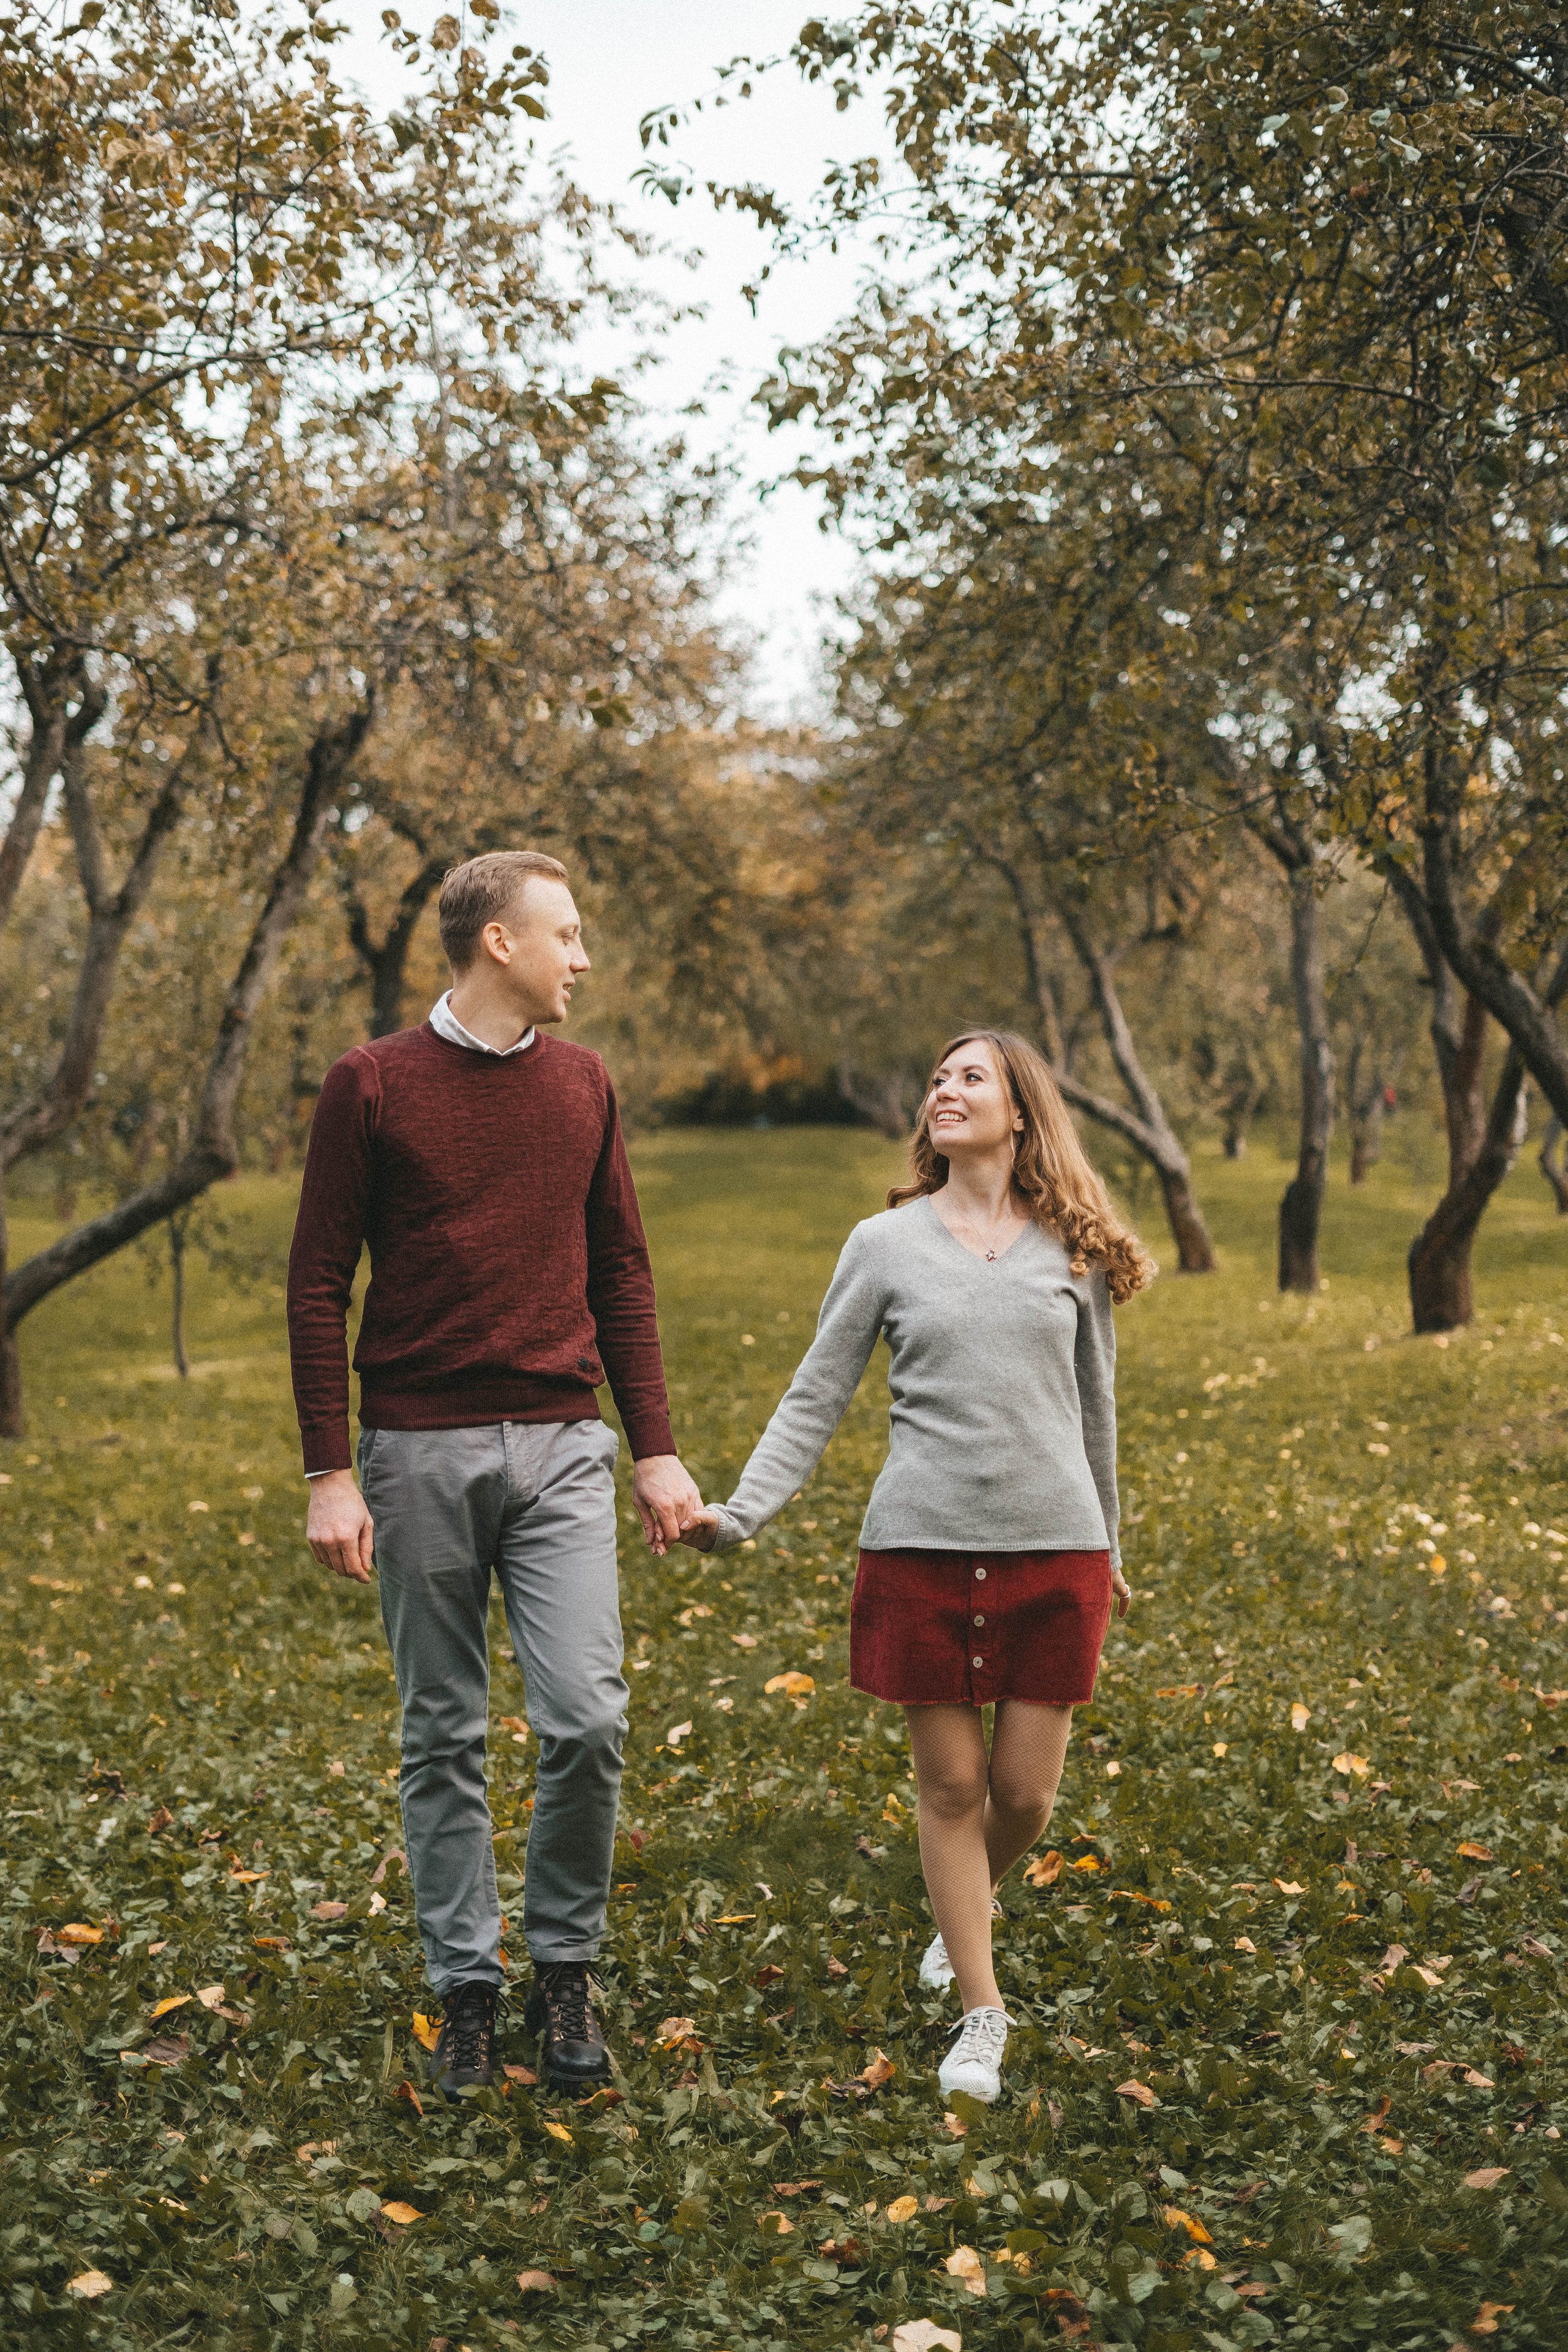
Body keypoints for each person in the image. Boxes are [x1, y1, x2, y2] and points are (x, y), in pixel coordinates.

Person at [286, 850, 702, 2099]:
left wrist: (655, 1447)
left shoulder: (583, 1084)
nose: (582, 956)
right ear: (498, 943)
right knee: (443, 1729)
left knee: (587, 1718)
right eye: (565, 934)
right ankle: (466, 1984)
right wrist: (328, 1470)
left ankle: (561, 1965)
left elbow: (620, 1269)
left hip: (562, 1445)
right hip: (416, 1450)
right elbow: (317, 1282)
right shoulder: (370, 1083)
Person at [679, 1030, 1152, 2103]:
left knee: (1024, 1796)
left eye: (970, 1077)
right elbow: (815, 1394)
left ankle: (960, 1912)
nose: (946, 1089)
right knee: (951, 1788)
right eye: (938, 1077)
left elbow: (1097, 1413)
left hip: (1057, 1550)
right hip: (920, 1552)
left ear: (1020, 1110)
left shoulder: (1072, 1248)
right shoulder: (883, 1245)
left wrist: (1112, 1546)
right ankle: (982, 2014)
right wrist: (741, 1514)